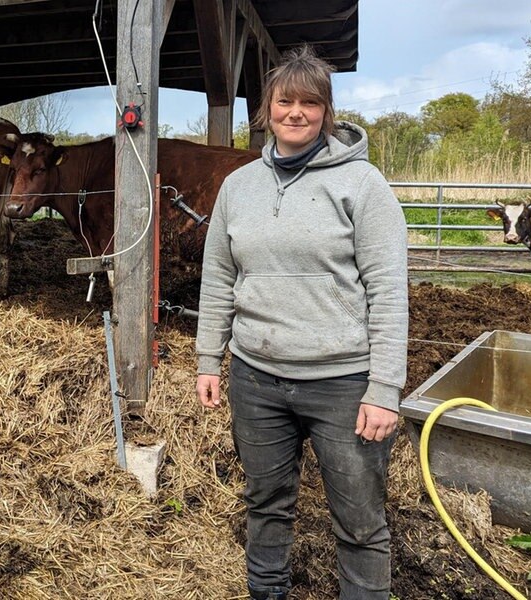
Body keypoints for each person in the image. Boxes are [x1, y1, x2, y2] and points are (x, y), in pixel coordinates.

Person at [194, 45, 408, 600]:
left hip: (343, 383)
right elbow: (218, 276)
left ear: (326, 112)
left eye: (310, 103)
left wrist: (384, 388)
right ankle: (268, 593)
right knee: (265, 504)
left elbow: (387, 292)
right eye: (284, 101)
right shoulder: (238, 187)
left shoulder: (363, 185)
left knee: (359, 519)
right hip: (255, 377)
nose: (296, 113)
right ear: (266, 109)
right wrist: (208, 359)